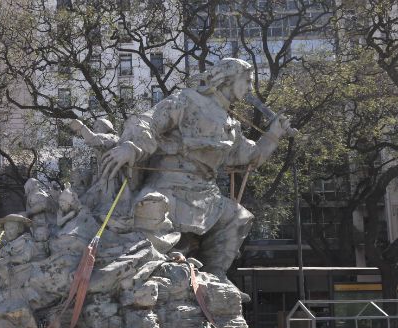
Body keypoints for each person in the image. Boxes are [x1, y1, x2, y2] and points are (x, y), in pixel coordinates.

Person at [100, 58, 292, 277]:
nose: (250, 88)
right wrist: (132, 148)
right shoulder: (187, 100)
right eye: (247, 81)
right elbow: (147, 122)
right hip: (169, 186)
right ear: (228, 79)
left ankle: (214, 280)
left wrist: (274, 134)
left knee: (238, 218)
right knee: (152, 215)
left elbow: (251, 156)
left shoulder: (231, 125)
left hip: (206, 194)